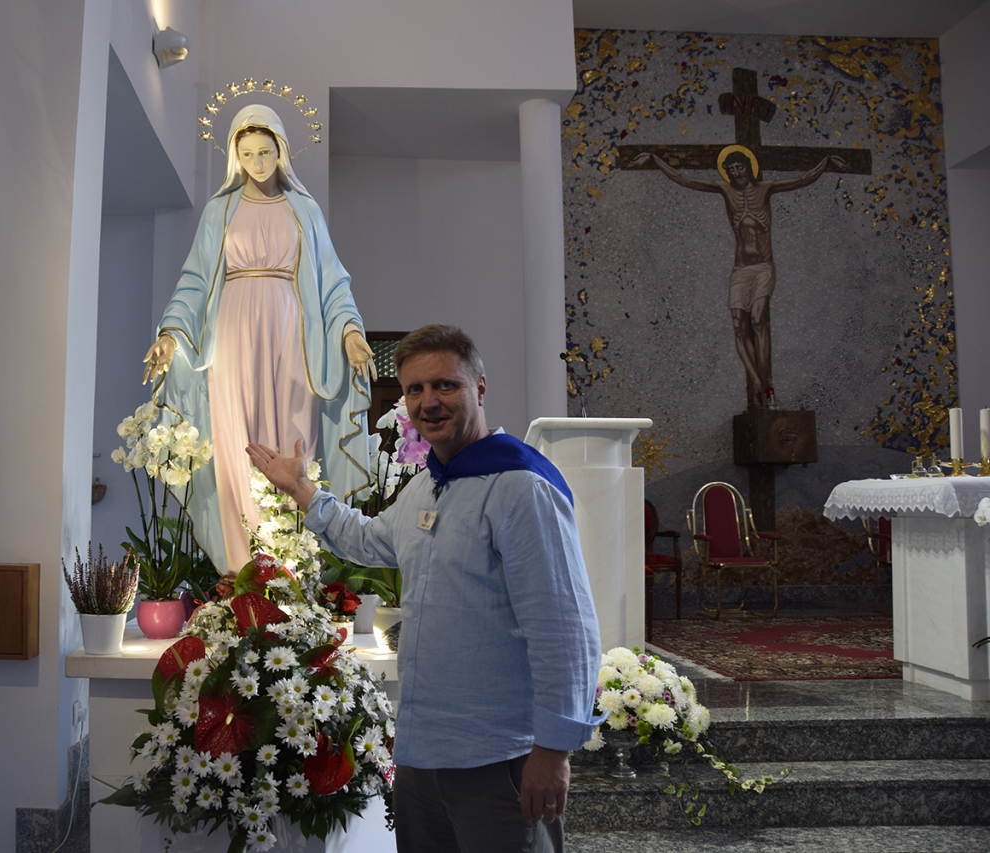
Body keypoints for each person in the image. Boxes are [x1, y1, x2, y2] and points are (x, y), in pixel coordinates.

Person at [246, 324, 605, 853]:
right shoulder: (429, 483)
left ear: (480, 388)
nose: (428, 402)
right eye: (415, 389)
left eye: (445, 386)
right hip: (422, 756)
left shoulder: (520, 487)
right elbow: (369, 539)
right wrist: (302, 489)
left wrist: (553, 751)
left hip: (496, 758)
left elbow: (565, 628)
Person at [142, 104, 374, 575]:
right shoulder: (220, 211)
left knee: (293, 436)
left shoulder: (304, 210)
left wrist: (350, 331)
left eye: (265, 151)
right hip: (232, 336)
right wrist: (171, 333)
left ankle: (291, 566)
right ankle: (240, 566)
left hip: (292, 336)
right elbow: (194, 281)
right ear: (235, 156)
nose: (258, 162)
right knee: (234, 441)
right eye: (247, 153)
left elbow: (332, 281)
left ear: (281, 150)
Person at [631, 146, 846, 410]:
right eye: (731, 169)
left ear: (749, 167)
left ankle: (767, 386)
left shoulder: (766, 188)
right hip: (741, 270)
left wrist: (825, 162)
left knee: (757, 320)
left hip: (763, 267)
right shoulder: (725, 190)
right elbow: (685, 180)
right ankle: (758, 384)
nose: (736, 173)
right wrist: (655, 160)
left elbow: (802, 180)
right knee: (738, 326)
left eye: (740, 167)